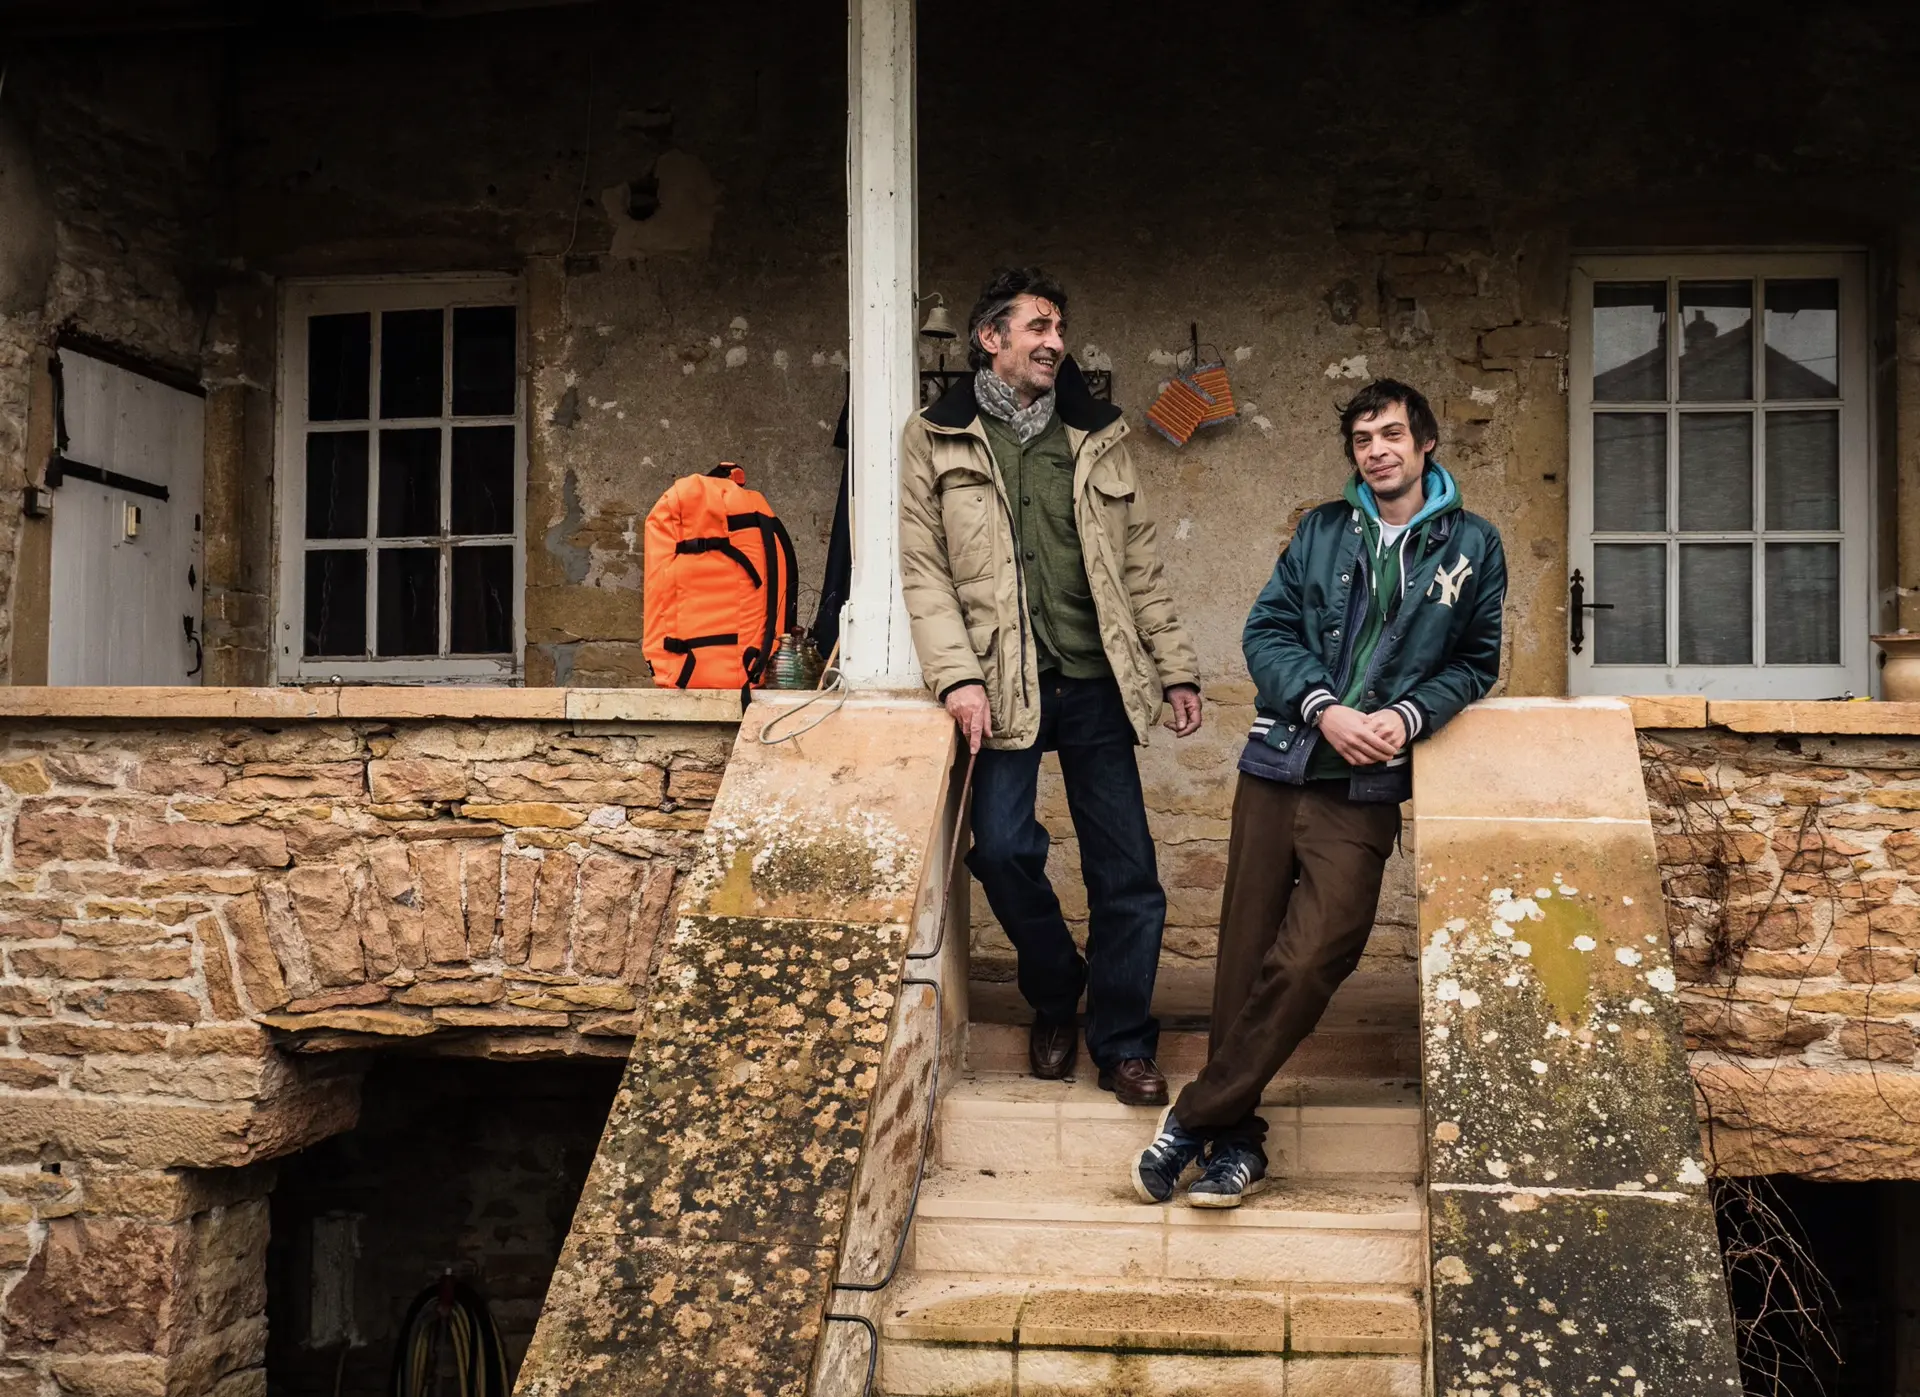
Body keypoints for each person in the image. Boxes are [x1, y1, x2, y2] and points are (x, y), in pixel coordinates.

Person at [1132, 378, 1506, 1203]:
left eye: (1392, 434)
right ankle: (1238, 1144)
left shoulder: (1474, 545)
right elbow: (1265, 629)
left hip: (1363, 789)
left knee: (1312, 957)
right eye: (1364, 438)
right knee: (1243, 964)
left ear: (1426, 443)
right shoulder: (1321, 532)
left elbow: (1477, 661)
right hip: (1279, 764)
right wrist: (1323, 707)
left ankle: (1194, 1115)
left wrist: (1408, 715)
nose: (1377, 449)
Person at [897, 267, 1203, 1106]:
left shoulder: (1096, 433)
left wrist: (1173, 664)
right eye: (1038, 326)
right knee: (997, 848)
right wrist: (956, 676)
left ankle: (1123, 1042)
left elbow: (1138, 562)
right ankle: (1055, 986)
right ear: (990, 339)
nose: (1055, 341)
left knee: (1127, 872)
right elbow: (923, 573)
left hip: (1098, 677)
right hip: (999, 683)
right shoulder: (933, 437)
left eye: (1060, 327)